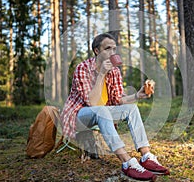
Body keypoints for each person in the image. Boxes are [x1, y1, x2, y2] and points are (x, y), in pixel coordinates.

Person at [60, 33, 169, 181]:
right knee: (101, 110)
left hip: (101, 113)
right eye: (108, 48)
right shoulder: (83, 68)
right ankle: (127, 163)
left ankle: (146, 156)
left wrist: (137, 95)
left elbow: (118, 99)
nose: (112, 52)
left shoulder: (115, 71)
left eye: (114, 48)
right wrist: (101, 74)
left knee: (131, 108)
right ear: (97, 51)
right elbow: (92, 102)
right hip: (79, 115)